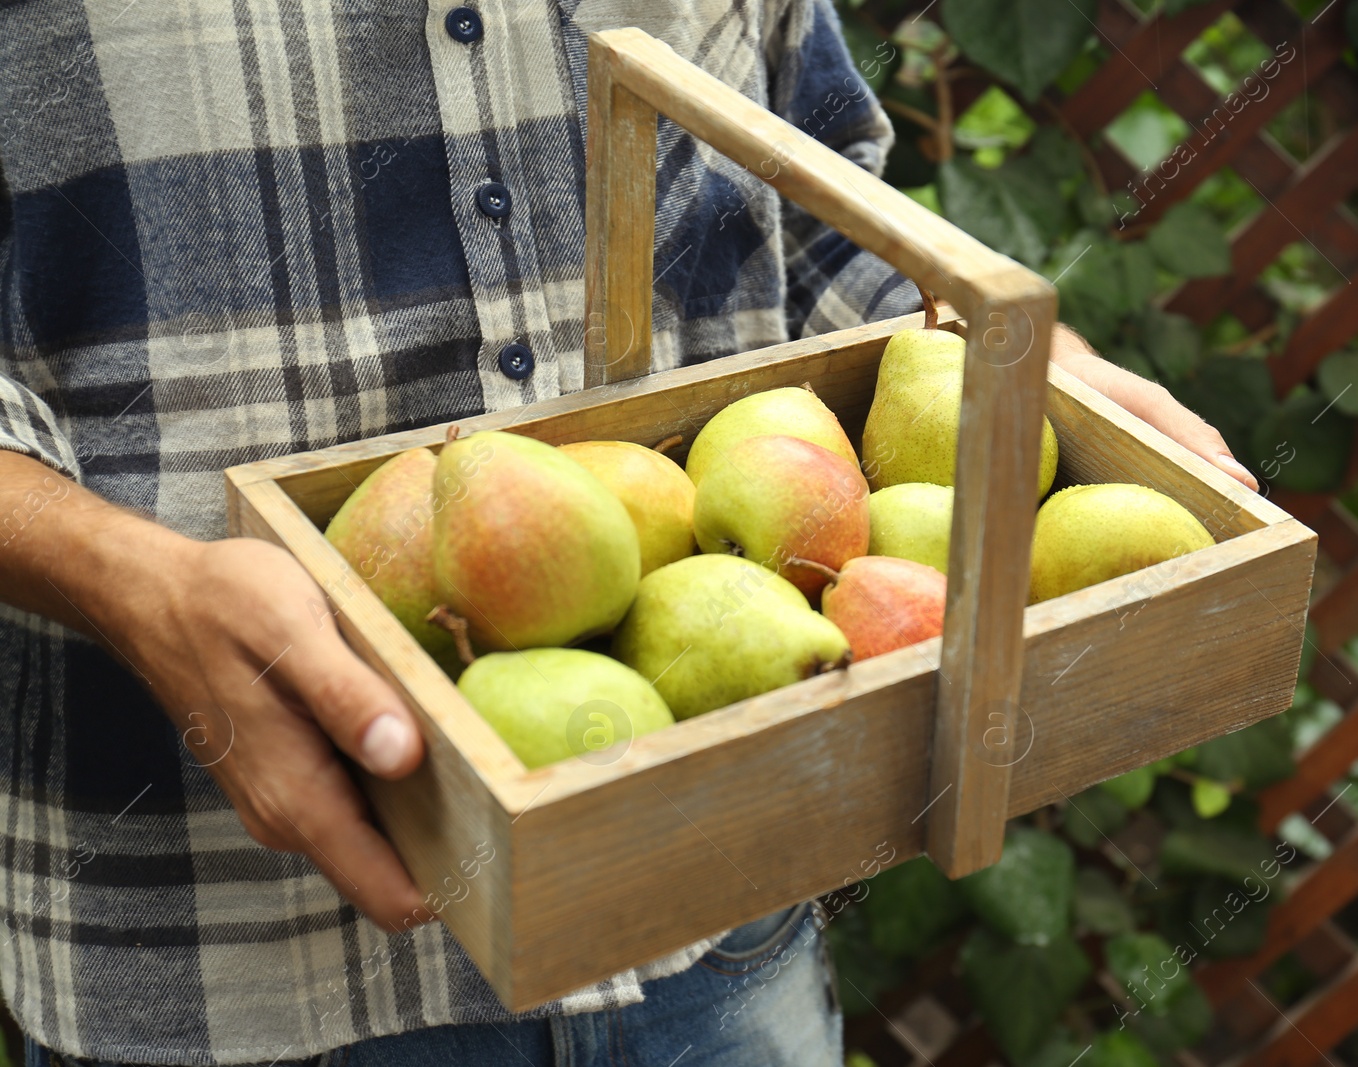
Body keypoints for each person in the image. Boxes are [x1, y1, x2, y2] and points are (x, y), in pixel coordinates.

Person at [0, 1, 1255, 1064]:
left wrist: (1016, 354)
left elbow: (808, 184)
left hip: (719, 903)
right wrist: (125, 578)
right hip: (222, 942)